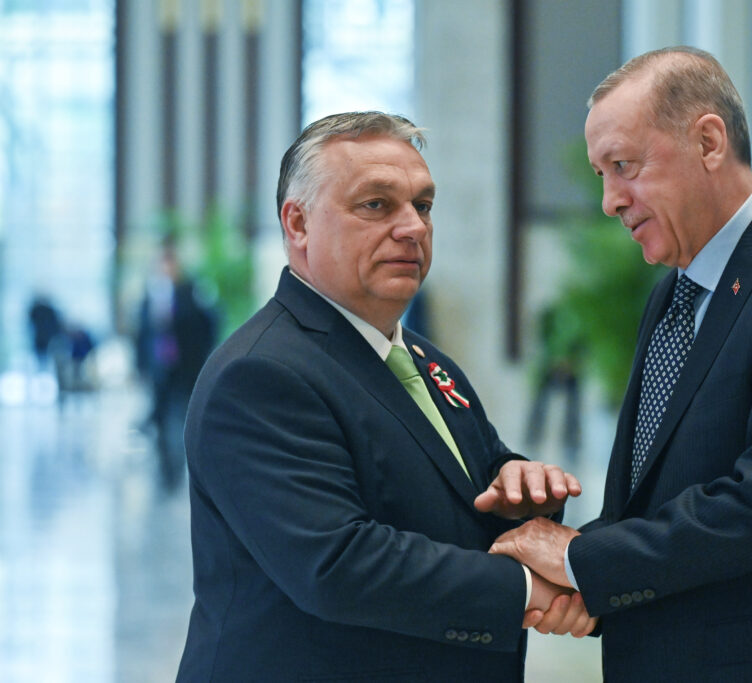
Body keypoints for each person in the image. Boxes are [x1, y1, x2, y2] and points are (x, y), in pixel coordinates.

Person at [482, 47, 752, 681]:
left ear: (709, 141)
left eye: (623, 166)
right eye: (602, 174)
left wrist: (584, 561)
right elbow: (661, 501)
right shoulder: (673, 294)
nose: (608, 200)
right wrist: (581, 575)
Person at [177, 112, 594, 682]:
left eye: (422, 206)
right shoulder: (259, 376)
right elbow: (338, 564)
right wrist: (528, 585)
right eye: (376, 205)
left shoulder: (424, 359)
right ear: (297, 223)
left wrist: (519, 490)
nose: (413, 228)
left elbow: (465, 480)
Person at [135, 236, 216, 490]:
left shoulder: (191, 291)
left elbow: (207, 325)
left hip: (185, 366)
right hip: (159, 366)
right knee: (160, 418)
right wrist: (141, 366)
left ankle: (179, 469)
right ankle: (165, 471)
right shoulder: (151, 295)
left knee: (181, 417)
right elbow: (141, 334)